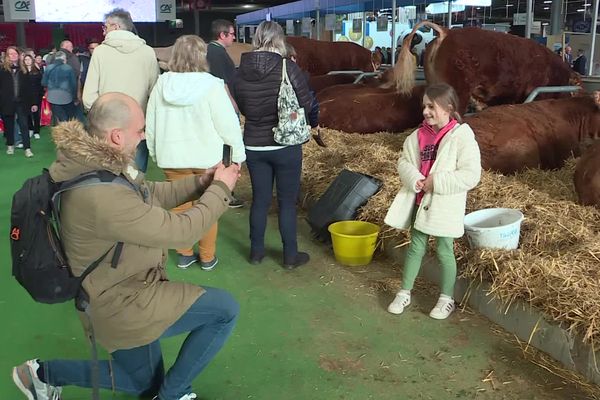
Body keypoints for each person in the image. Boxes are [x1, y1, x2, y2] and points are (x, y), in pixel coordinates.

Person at [12, 92, 241, 400]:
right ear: (117, 136)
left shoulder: (95, 165)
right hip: (123, 301)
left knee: (140, 383)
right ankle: (172, 394)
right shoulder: (101, 194)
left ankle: (42, 374)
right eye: (140, 130)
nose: (144, 135)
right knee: (224, 310)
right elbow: (183, 232)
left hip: (115, 290)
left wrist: (202, 183)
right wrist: (222, 188)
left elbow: (150, 194)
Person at [146, 35, 246, 270]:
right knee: (207, 207)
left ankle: (184, 253)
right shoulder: (212, 85)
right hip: (208, 160)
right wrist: (238, 157)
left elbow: (151, 123)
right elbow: (227, 124)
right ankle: (208, 257)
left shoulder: (161, 84)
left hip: (172, 158)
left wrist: (154, 152)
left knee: (180, 207)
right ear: (202, 56)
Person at [385, 83, 481, 320]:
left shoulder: (461, 136)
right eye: (424, 106)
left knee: (444, 249)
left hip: (444, 205)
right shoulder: (417, 136)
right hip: (420, 201)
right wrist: (415, 179)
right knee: (416, 246)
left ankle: (446, 298)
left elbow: (470, 175)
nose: (426, 111)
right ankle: (404, 292)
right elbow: (404, 163)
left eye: (431, 107)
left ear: (448, 108)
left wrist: (436, 182)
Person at [233, 21, 318, 269]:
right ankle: (290, 256)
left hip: (254, 144)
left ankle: (256, 252)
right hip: (286, 144)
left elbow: (242, 106)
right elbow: (307, 103)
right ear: (279, 39)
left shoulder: (239, 71)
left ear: (256, 38)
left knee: (259, 199)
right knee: (286, 202)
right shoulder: (287, 67)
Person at [83, 7, 159, 173]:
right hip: (138, 127)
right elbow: (154, 93)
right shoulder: (147, 52)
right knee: (137, 177)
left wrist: (101, 117)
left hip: (106, 128)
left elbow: (88, 97)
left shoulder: (100, 52)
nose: (103, 31)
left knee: (107, 178)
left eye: (105, 27)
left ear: (115, 27)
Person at [206, 19, 244, 208]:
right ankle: (225, 193)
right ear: (222, 35)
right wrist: (233, 105)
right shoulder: (217, 53)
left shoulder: (211, 51)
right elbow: (223, 83)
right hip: (224, 106)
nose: (234, 37)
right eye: (231, 33)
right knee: (228, 149)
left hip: (215, 106)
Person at [0, 46, 35, 157]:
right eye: (10, 54)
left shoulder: (23, 69)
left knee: (24, 125)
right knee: (9, 125)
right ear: (7, 56)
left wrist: (33, 103)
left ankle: (27, 148)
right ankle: (10, 145)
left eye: (15, 53)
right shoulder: (2, 70)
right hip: (6, 102)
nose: (13, 56)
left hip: (22, 102)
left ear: (18, 55)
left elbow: (29, 87)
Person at [41, 51, 80, 123]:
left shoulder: (49, 68)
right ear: (64, 59)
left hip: (52, 97)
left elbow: (43, 82)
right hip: (66, 96)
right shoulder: (68, 68)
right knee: (69, 117)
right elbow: (73, 85)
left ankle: (61, 130)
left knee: (60, 117)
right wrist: (75, 98)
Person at [22, 54, 43, 139]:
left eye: (29, 59)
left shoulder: (37, 71)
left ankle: (36, 131)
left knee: (36, 114)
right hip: (25, 96)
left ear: (32, 60)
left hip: (36, 95)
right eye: (25, 59)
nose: (27, 61)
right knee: (27, 114)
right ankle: (30, 128)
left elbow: (40, 85)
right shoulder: (22, 72)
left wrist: (40, 95)